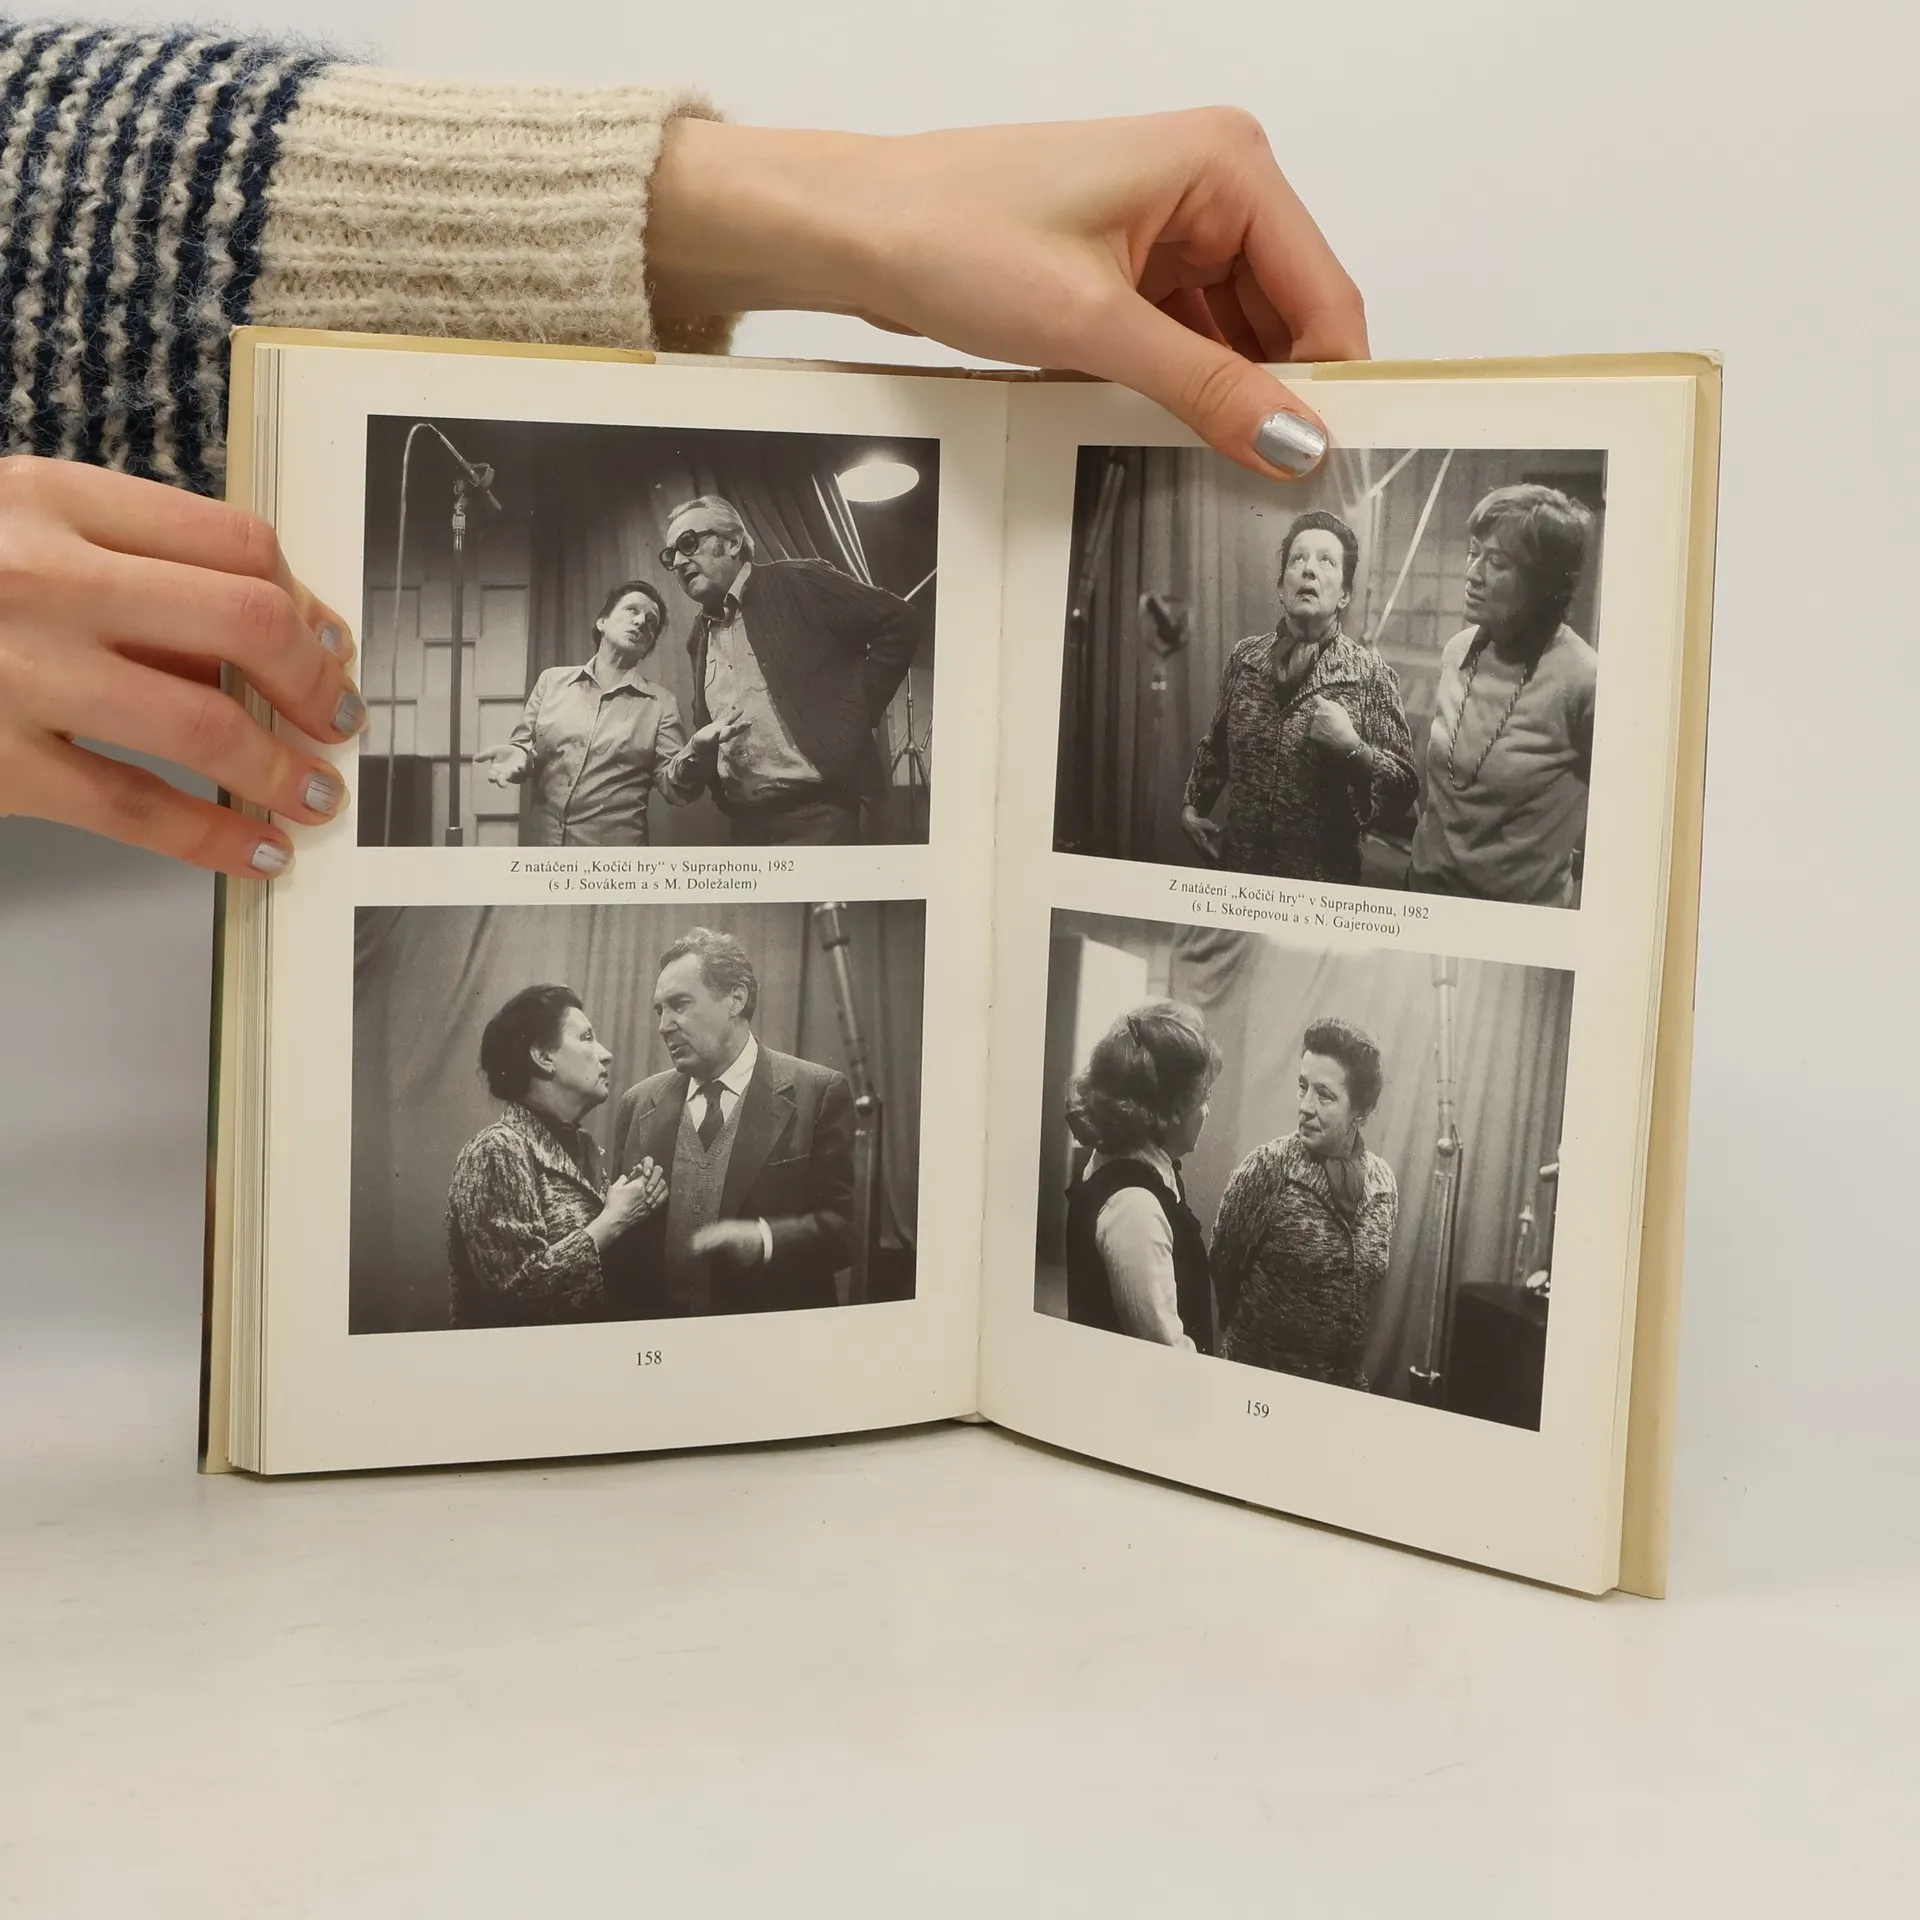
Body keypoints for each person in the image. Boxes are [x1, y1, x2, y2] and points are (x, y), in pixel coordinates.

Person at [0, 22, 1366, 878]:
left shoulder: (786, 583)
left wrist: (841, 213)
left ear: (725, 545)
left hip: (818, 819)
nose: (674, 578)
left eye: (687, 558)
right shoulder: (668, 661)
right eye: (661, 573)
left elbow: (893, 627)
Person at [605, 927, 854, 1318]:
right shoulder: (637, 1104)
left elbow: (846, 1229)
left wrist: (764, 1239)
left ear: (735, 999)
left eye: (679, 1004)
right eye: (659, 1011)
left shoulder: (818, 1092)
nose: (664, 1025)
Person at [654, 495, 918, 844]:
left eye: (689, 543)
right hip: (744, 825)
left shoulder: (800, 581)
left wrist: (856, 710)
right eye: (670, 554)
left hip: (819, 821)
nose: (678, 562)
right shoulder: (698, 637)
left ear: (733, 543)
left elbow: (900, 622)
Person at [1181, 510, 1417, 882]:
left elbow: (1404, 790)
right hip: (1238, 875)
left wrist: (1353, 748)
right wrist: (1193, 806)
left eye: (1326, 561)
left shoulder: (1370, 673)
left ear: (1344, 595)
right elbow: (1216, 748)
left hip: (1321, 888)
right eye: (1298, 559)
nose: (1308, 570)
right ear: (1281, 589)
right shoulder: (1245, 659)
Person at [1405, 484, 1599, 906]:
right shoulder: (1457, 652)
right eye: (1473, 553)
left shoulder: (1585, 680)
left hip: (1515, 918)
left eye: (1495, 562)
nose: (1472, 573)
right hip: (1423, 896)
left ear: (1543, 584)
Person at [446, 983, 667, 1329]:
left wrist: (640, 1203)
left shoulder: (581, 1147)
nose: (606, 1054)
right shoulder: (496, 1149)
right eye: (587, 1038)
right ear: (543, 1057)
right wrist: (614, 1220)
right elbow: (515, 1300)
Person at [1212, 1016, 1398, 1389]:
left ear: (1361, 1112)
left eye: (1324, 1095)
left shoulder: (1383, 1184)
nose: (1305, 1106)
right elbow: (1223, 1264)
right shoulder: (1268, 1168)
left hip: (1340, 1392)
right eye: (1303, 1087)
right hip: (1258, 1384)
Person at [472, 579, 705, 848]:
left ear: (648, 647)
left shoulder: (661, 704)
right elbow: (524, 746)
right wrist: (520, 755)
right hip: (542, 849)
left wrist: (698, 752)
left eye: (651, 622)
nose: (642, 621)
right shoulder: (551, 681)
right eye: (632, 610)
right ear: (602, 622)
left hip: (613, 860)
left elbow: (677, 790)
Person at [1062, 999, 1221, 1353]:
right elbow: (1165, 1350)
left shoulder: (1138, 1167)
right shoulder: (1134, 1208)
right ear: (1170, 1112)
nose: (1207, 1112)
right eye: (1202, 1099)